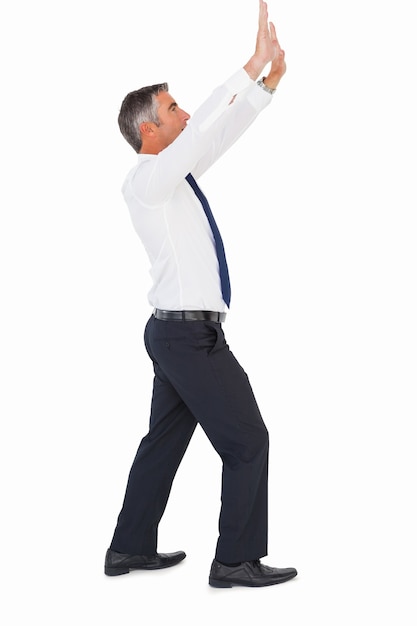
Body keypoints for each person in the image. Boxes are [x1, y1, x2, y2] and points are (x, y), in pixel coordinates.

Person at [105, 0, 297, 588]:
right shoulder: (148, 180)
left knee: (162, 442)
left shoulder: (174, 179)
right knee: (248, 440)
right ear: (148, 128)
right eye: (172, 108)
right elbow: (205, 126)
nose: (184, 114)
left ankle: (128, 549)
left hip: (182, 332)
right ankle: (235, 560)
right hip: (188, 337)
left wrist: (265, 86)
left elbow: (219, 132)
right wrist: (248, 64)